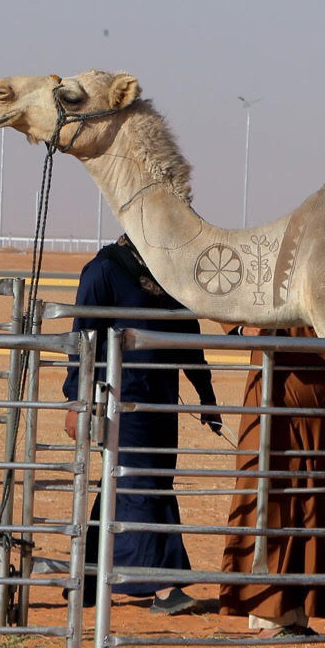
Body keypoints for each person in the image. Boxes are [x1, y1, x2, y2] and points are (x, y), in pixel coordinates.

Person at [63, 235, 220, 614]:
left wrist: (205, 393)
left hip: (161, 399)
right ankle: (164, 585)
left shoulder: (170, 273)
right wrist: (76, 399)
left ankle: (87, 581)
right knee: (141, 485)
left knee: (131, 484)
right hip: (119, 398)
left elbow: (187, 335)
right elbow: (82, 335)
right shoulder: (104, 270)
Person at [218, 327, 325, 637]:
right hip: (271, 379)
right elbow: (216, 285)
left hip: (317, 382)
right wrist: (241, 327)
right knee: (271, 490)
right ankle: (269, 614)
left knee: (316, 492)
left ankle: (298, 612)